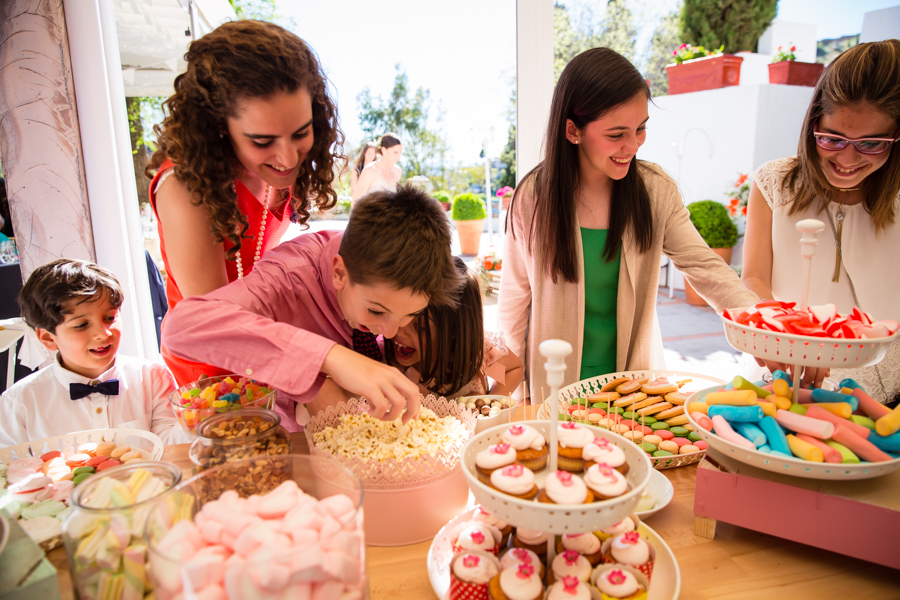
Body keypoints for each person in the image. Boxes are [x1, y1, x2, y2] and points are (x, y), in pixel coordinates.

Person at [499, 48, 759, 398]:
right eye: (616, 134)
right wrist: (508, 390)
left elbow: (705, 267)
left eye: (640, 129)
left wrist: (765, 329)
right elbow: (515, 301)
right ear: (573, 130)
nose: (632, 146)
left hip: (629, 390)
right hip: (553, 386)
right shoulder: (532, 197)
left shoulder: (654, 191)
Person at [162, 185, 465, 430]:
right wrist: (327, 358)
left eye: (410, 316)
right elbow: (180, 328)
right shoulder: (288, 276)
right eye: (376, 312)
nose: (390, 331)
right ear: (339, 273)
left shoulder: (390, 270)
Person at [146, 20, 343, 386]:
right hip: (212, 373)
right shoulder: (185, 190)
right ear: (218, 127)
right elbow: (213, 328)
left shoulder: (282, 167)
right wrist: (326, 362)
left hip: (271, 348)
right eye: (262, 141)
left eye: (301, 133)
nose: (287, 158)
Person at [742, 39, 900, 403]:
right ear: (813, 123)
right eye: (832, 138)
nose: (848, 158)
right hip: (784, 378)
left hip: (886, 393)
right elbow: (754, 277)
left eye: (872, 144)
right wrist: (784, 339)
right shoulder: (774, 182)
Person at [0, 260, 189, 447]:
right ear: (49, 338)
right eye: (81, 325)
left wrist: (196, 417)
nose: (103, 333)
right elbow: (11, 468)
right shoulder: (18, 403)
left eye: (110, 318)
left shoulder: (152, 377)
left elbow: (169, 446)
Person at [385, 257, 523, 399]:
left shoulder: (477, 354)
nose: (400, 331)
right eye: (401, 316)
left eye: (420, 328)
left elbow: (512, 370)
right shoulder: (385, 362)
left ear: (454, 332)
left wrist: (490, 401)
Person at [352, 133, 403, 201]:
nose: (398, 156)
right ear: (384, 150)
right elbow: (356, 202)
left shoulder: (397, 171)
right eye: (395, 152)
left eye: (400, 153)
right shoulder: (370, 170)